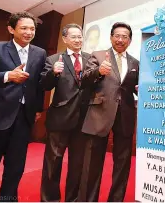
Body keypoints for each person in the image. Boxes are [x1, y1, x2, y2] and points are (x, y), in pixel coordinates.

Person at [0, 12, 46, 202]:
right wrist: (7, 76)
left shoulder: (40, 53)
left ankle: (7, 199)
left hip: (23, 119)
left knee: (15, 168)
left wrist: (37, 109)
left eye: (32, 29)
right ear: (11, 29)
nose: (29, 32)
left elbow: (38, 84)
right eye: (24, 28)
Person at [78, 22, 139, 202]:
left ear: (130, 40)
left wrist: (140, 89)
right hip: (99, 115)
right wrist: (98, 71)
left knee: (122, 163)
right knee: (93, 163)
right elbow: (84, 80)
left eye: (125, 37)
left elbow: (133, 88)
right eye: (117, 36)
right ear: (111, 37)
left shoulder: (135, 62)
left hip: (125, 116)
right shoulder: (97, 55)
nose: (120, 39)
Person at [40, 23, 90, 202]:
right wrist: (53, 73)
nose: (78, 40)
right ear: (65, 39)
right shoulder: (54, 59)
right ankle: (49, 199)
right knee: (53, 163)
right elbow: (44, 85)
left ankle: (73, 199)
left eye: (80, 36)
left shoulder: (90, 58)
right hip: (60, 120)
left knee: (77, 165)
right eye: (74, 37)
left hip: (84, 121)